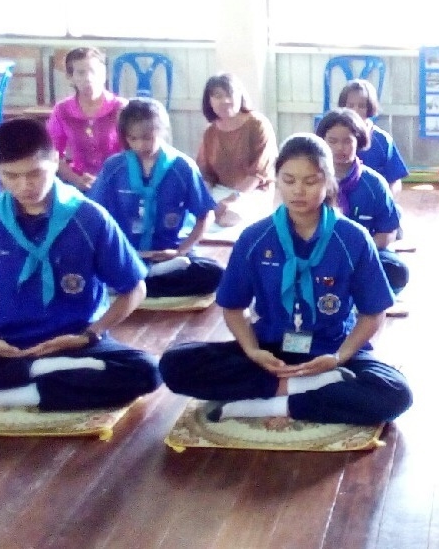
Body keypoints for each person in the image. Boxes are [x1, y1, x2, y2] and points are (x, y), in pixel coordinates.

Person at [159, 134, 412, 425]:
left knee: (396, 392)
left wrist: (340, 357)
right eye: (289, 180)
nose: (298, 191)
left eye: (311, 181)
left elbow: (373, 313)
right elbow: (233, 307)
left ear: (329, 182)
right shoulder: (255, 237)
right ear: (277, 180)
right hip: (271, 350)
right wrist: (253, 351)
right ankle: (305, 389)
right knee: (174, 365)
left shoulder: (353, 238)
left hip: (331, 350)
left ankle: (273, 403)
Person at [0, 118, 160, 414]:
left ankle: (5, 393)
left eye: (34, 173)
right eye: (11, 176)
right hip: (6, 346)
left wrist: (91, 334)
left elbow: (135, 288)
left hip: (75, 344)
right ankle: (40, 374)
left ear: (55, 160)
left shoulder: (90, 218)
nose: (24, 186)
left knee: (146, 371)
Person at [89, 98, 223, 298]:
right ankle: (143, 278)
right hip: (124, 253)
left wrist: (180, 251)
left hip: (168, 254)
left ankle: (131, 284)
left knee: (215, 274)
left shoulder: (182, 167)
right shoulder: (114, 167)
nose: (140, 145)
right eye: (133, 139)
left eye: (147, 138)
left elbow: (206, 214)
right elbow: (94, 213)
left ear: (162, 131)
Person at [315, 108, 409, 293]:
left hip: (363, 253)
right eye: (332, 141)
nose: (340, 148)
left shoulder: (374, 183)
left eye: (347, 141)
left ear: (358, 141)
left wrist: (358, 252)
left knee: (397, 271)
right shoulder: (312, 180)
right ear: (322, 142)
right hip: (319, 253)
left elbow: (387, 232)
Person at [196, 73, 278, 228]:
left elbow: (258, 174)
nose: (225, 101)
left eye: (230, 94)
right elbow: (206, 175)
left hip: (254, 192)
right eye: (218, 96)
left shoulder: (258, 124)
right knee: (197, 216)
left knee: (230, 218)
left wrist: (231, 199)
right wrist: (202, 200)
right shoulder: (210, 132)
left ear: (240, 96)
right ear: (209, 101)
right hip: (220, 191)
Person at [47, 47, 128, 192]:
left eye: (94, 71)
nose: (88, 78)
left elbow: (132, 152)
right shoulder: (62, 110)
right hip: (78, 181)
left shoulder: (120, 107)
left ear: (104, 74)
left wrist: (106, 180)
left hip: (118, 182)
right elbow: (52, 153)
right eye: (81, 73)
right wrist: (75, 179)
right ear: (70, 77)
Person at [339, 79, 410, 195]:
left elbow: (395, 180)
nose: (355, 111)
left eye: (361, 106)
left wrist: (386, 199)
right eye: (350, 106)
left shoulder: (383, 140)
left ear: (370, 107)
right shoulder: (332, 137)